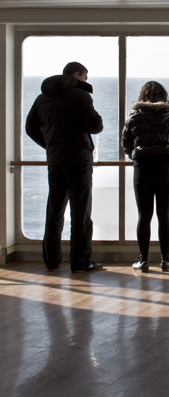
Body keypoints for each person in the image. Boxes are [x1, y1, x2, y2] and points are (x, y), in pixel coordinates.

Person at [25, 61, 104, 273]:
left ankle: (51, 260)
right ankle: (80, 262)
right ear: (77, 75)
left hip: (55, 160)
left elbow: (30, 128)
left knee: (54, 210)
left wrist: (50, 145)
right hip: (79, 160)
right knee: (81, 213)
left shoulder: (42, 98)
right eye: (84, 79)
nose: (85, 82)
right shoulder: (80, 95)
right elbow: (96, 126)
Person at [121, 81, 169, 272]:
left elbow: (126, 142)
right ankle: (166, 260)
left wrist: (135, 156)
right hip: (166, 166)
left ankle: (143, 260)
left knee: (144, 215)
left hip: (142, 166)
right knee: (164, 215)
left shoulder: (135, 116)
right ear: (164, 96)